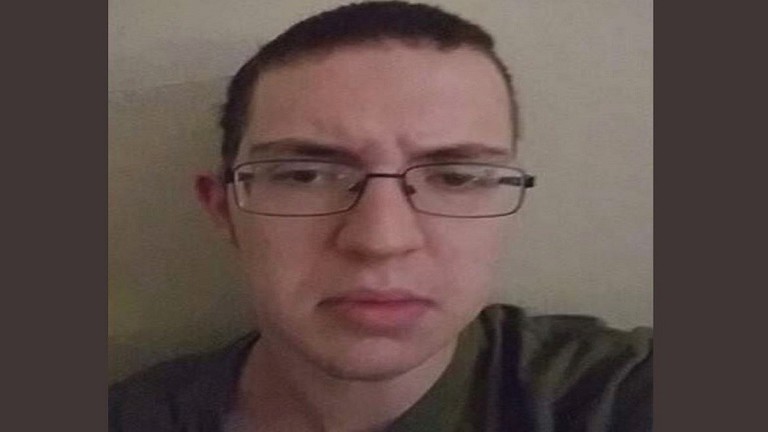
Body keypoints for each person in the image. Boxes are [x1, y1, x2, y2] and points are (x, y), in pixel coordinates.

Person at [109, 2, 652, 431]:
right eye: (305, 175)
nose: (381, 239)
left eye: (456, 177)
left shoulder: (616, 394)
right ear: (223, 208)